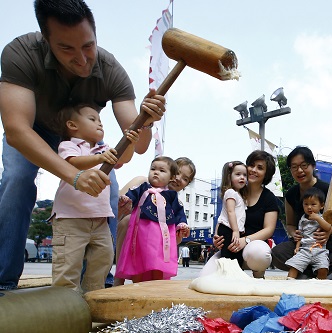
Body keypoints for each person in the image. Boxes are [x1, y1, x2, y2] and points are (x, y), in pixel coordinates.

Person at [0, 0, 166, 291]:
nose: (82, 59)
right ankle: (4, 280)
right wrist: (74, 176)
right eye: (67, 49)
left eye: (88, 46)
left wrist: (147, 121)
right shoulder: (21, 53)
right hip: (33, 131)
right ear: (46, 40)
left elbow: (137, 145)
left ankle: (98, 282)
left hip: (85, 141)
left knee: (110, 190)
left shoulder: (111, 69)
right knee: (17, 179)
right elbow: (16, 130)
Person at [50, 104, 139, 293]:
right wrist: (100, 158)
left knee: (103, 259)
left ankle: (91, 300)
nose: (99, 124)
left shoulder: (103, 148)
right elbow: (73, 162)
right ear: (72, 125)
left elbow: (124, 158)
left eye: (100, 121)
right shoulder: (69, 145)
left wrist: (130, 143)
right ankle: (65, 306)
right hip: (70, 219)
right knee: (68, 265)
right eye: (92, 119)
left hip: (100, 220)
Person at [113, 157, 196, 286]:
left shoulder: (174, 202)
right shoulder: (143, 185)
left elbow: (175, 239)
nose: (179, 179)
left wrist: (180, 231)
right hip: (133, 238)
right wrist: (126, 203)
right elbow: (116, 206)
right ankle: (119, 277)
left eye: (185, 179)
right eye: (178, 173)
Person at [271, 146, 332, 281]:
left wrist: (329, 231)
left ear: (313, 166)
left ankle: (329, 272)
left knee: (321, 262)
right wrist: (293, 233)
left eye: (304, 165)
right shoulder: (291, 194)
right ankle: (317, 276)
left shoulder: (328, 189)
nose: (299, 170)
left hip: (330, 242)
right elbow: (290, 224)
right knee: (277, 254)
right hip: (304, 243)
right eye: (294, 167)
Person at [202, 150, 279, 278]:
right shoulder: (235, 192)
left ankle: (259, 274)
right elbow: (224, 215)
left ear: (266, 174)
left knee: (260, 253)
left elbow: (269, 229)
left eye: (260, 168)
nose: (253, 170)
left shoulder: (269, 198)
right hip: (231, 246)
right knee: (204, 277)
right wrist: (217, 236)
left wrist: (245, 240)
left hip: (252, 248)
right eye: (251, 165)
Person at [286, 187, 331, 280]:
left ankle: (321, 284)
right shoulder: (302, 220)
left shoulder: (322, 217)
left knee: (323, 268)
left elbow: (328, 227)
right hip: (304, 249)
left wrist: (317, 218)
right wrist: (297, 247)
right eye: (306, 204)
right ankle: (289, 282)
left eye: (313, 204)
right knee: (294, 265)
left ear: (321, 206)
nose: (309, 207)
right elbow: (300, 235)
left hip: (320, 250)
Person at [216, 161, 248, 266]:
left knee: (236, 256)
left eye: (244, 175)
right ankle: (227, 277)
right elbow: (230, 212)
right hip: (229, 229)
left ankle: (235, 276)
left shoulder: (239, 195)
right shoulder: (230, 192)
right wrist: (235, 230)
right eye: (238, 174)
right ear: (229, 177)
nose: (242, 177)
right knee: (228, 256)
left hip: (233, 230)